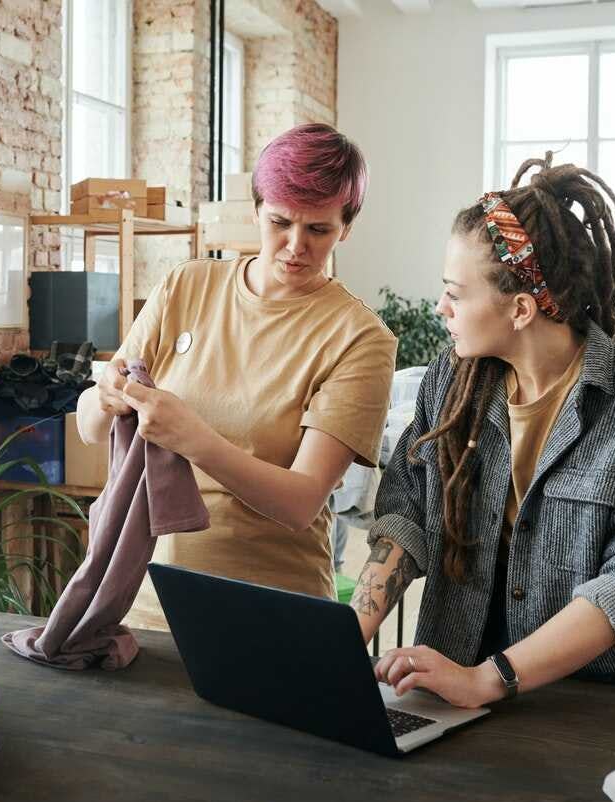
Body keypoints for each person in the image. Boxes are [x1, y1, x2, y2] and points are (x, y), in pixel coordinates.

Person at [353, 155, 615, 708]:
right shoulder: (452, 380)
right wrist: (347, 635)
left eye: (456, 292)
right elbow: (407, 516)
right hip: (468, 677)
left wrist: (488, 678)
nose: (441, 307)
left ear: (521, 309)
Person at [74, 123, 397, 630]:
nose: (295, 246)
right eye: (279, 222)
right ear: (256, 210)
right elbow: (89, 427)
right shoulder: (185, 286)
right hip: (142, 599)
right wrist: (106, 396)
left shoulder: (360, 338)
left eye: (319, 230)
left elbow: (300, 502)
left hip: (267, 613)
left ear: (346, 227)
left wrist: (193, 438)